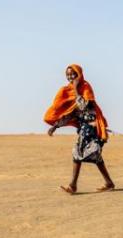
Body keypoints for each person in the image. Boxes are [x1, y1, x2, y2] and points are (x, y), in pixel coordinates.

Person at [44, 64, 115, 194]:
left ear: (79, 74)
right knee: (95, 157)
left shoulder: (85, 87)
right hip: (84, 128)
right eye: (68, 74)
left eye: (73, 74)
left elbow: (83, 106)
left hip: (92, 128)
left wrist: (76, 89)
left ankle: (73, 186)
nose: (70, 77)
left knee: (78, 154)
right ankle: (109, 183)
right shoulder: (67, 91)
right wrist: (55, 126)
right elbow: (71, 112)